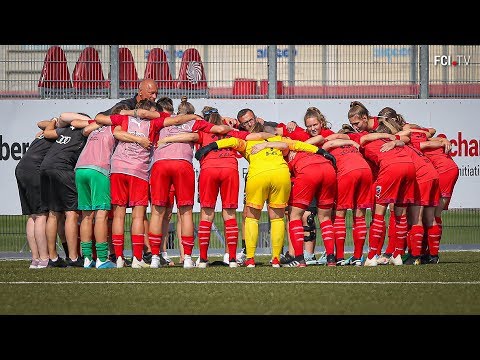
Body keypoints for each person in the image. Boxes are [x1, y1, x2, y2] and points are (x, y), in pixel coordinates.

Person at [194, 120, 334, 268]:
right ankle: (275, 260)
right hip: (280, 175)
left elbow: (231, 141)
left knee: (252, 218)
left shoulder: (247, 142)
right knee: (277, 219)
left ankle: (250, 259)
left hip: (258, 175)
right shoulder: (279, 140)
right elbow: (301, 145)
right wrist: (322, 152)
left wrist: (209, 147)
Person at [156, 105, 272, 268]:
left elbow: (184, 137)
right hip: (229, 169)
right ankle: (232, 259)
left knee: (206, 215)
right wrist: (274, 138)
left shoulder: (202, 131)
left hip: (209, 170)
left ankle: (203, 259)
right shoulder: (231, 131)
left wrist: (165, 140)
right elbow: (257, 136)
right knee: (230, 215)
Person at [141, 97, 232, 269]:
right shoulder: (194, 123)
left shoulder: (160, 122)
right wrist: (228, 123)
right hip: (183, 164)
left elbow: (141, 117)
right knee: (186, 213)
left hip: (161, 164)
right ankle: (188, 258)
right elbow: (220, 128)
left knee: (157, 212)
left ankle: (154, 257)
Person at [95, 78, 159, 263]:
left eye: (156, 93)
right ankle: (133, 256)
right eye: (151, 93)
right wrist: (136, 117)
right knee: (133, 214)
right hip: (134, 168)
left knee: (126, 214)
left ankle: (130, 255)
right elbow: (101, 118)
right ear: (140, 92)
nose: (155, 97)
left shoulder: (132, 113)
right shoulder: (125, 108)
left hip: (121, 167)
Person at [73, 106, 133, 269]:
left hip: (80, 169)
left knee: (86, 215)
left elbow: (84, 129)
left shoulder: (97, 125)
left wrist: (99, 122)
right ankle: (101, 258)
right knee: (101, 216)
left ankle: (87, 258)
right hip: (99, 169)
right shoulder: (117, 125)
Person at [359, 118, 416, 266]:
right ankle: (397, 255)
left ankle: (371, 257)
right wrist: (393, 139)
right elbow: (407, 136)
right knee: (401, 214)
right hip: (410, 167)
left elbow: (363, 139)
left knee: (379, 213)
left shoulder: (367, 141)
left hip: (391, 168)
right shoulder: (396, 141)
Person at [39, 112, 90, 267]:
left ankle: (53, 258)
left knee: (54, 213)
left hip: (45, 168)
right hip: (63, 168)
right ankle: (74, 258)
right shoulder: (83, 129)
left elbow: (45, 130)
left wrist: (56, 121)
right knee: (71, 213)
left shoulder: (64, 130)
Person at [15, 118, 57, 268]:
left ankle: (35, 259)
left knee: (33, 215)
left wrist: (54, 120)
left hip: (21, 168)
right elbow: (42, 123)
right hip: (34, 170)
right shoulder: (56, 133)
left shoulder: (41, 134)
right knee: (41, 215)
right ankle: (44, 258)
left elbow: (40, 124)